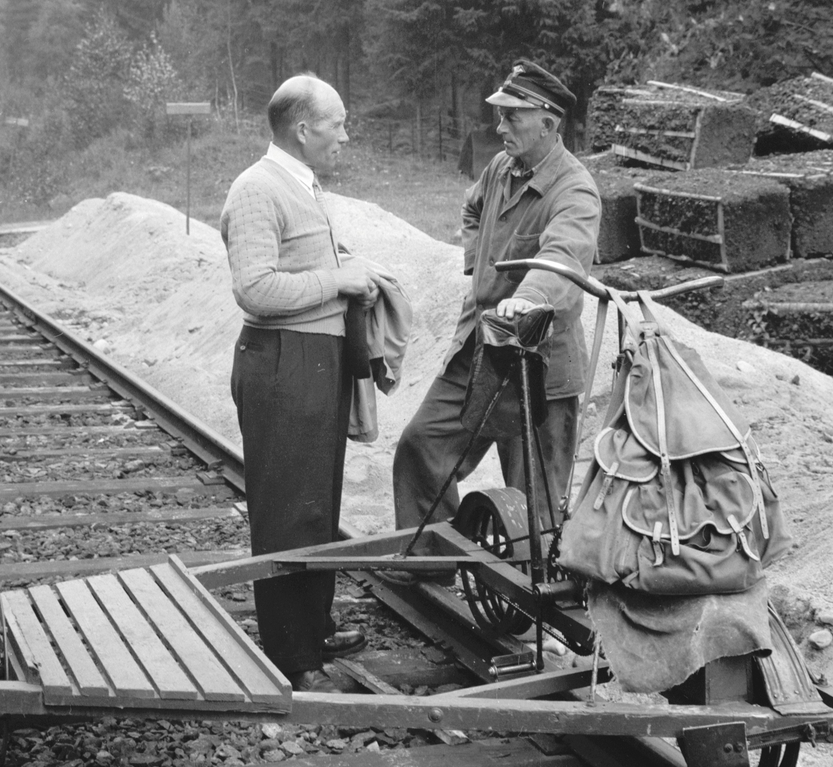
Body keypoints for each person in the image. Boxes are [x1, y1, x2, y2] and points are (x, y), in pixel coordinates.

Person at [391, 60, 602, 565]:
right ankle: (429, 565)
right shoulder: (500, 168)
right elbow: (471, 207)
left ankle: (537, 613)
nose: (499, 127)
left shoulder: (574, 191)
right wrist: (478, 267)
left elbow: (563, 259)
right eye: (500, 115)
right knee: (421, 447)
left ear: (549, 124)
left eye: (512, 117)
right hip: (481, 347)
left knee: (536, 501)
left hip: (538, 362)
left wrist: (526, 299)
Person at [221, 74, 382, 692]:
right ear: (303, 129)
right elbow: (254, 288)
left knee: (317, 504)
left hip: (314, 361)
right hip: (284, 362)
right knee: (288, 510)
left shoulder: (301, 186)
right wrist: (338, 281)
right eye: (337, 123)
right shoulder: (258, 189)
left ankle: (312, 626)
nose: (345, 133)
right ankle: (294, 659)